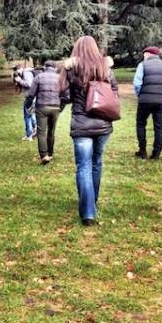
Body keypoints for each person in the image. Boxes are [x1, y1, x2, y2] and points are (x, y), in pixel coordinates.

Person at [60, 36, 118, 226]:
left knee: (84, 166)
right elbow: (114, 93)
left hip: (81, 124)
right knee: (96, 162)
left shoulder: (71, 69)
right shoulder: (105, 68)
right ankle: (92, 201)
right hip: (103, 124)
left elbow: (64, 95)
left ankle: (88, 212)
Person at [133, 46, 162, 160]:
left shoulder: (142, 65)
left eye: (144, 54)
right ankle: (156, 153)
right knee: (158, 126)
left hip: (145, 100)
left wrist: (140, 94)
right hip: (161, 101)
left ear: (147, 54)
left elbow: (137, 84)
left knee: (141, 124)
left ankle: (142, 151)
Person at [25, 60, 62, 164]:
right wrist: (60, 107)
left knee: (41, 132)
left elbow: (31, 94)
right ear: (55, 67)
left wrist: (28, 105)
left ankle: (44, 155)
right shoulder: (60, 78)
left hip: (42, 107)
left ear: (45, 67)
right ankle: (50, 153)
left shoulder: (39, 77)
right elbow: (66, 95)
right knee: (51, 131)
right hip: (55, 108)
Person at [13, 65, 37, 141]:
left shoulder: (26, 73)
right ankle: (35, 130)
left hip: (30, 98)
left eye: (16, 70)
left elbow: (29, 84)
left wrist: (19, 80)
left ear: (20, 69)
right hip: (33, 97)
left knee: (27, 116)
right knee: (31, 114)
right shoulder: (27, 73)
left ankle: (29, 135)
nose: (16, 72)